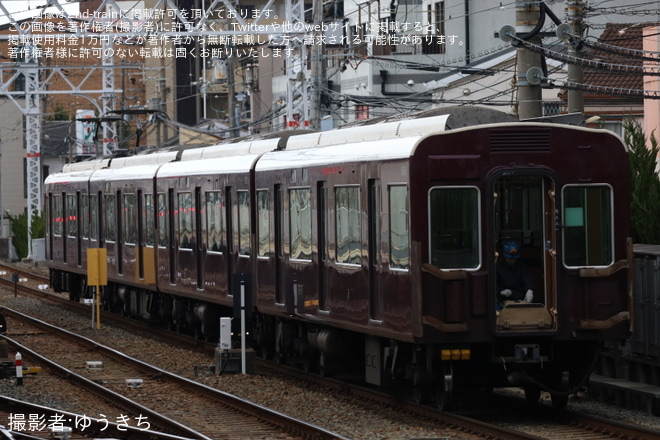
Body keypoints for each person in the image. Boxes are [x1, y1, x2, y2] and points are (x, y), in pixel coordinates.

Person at [496, 240, 534, 310]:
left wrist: (529, 290)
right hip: (502, 301)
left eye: (514, 259)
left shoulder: (521, 266)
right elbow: (493, 284)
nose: (512, 261)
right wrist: (500, 291)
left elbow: (526, 278)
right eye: (509, 259)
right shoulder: (498, 267)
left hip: (518, 299)